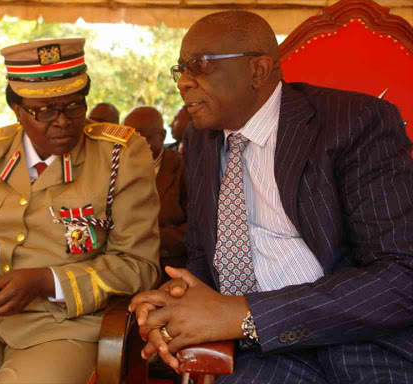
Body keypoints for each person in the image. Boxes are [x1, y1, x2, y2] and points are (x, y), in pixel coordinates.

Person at [130, 10, 413, 383]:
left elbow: (400, 275)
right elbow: (204, 254)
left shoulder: (353, 122)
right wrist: (179, 298)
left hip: (360, 344)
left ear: (258, 70)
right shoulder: (199, 140)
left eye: (199, 66)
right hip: (258, 354)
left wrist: (247, 313)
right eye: (180, 69)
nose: (183, 82)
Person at [0, 38, 160, 384]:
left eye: (74, 106)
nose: (63, 121)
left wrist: (44, 281)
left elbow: (139, 266)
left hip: (62, 326)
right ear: (18, 110)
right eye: (46, 111)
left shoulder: (119, 156)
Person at [124, 106, 187, 266]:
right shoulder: (113, 167)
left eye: (141, 138)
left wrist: (147, 238)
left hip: (169, 267)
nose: (132, 145)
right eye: (126, 138)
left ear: (162, 136)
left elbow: (197, 228)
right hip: (122, 265)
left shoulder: (184, 168)